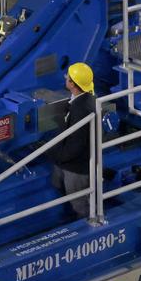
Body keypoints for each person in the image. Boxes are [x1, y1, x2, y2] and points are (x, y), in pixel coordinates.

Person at [44, 62, 97, 219]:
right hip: (68, 162)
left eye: (68, 77)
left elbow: (76, 145)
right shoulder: (82, 99)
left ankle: (88, 223)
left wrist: (53, 153)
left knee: (79, 203)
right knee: (60, 185)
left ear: (73, 84)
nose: (65, 78)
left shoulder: (82, 109)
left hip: (76, 168)